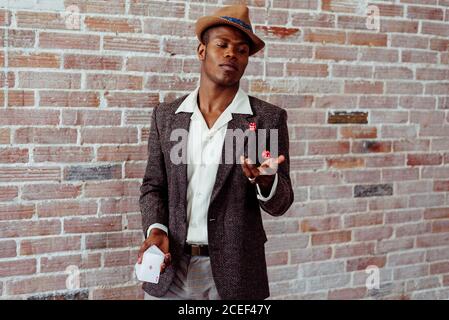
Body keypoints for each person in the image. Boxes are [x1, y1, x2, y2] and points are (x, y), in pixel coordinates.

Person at [138, 4, 294, 300]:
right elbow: (153, 186)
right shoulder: (168, 116)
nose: (231, 54)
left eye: (241, 50)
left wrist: (265, 182)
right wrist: (155, 229)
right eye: (222, 45)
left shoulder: (265, 119)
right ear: (202, 51)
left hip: (234, 272)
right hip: (170, 268)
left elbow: (281, 203)